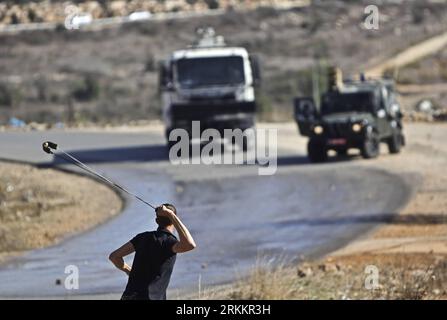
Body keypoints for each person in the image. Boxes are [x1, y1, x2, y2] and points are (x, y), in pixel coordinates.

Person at [109, 204, 196, 300]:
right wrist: (171, 215)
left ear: (156, 221)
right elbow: (190, 244)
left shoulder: (142, 237)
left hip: (128, 296)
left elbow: (114, 257)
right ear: (175, 221)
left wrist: (129, 271)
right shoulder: (170, 242)